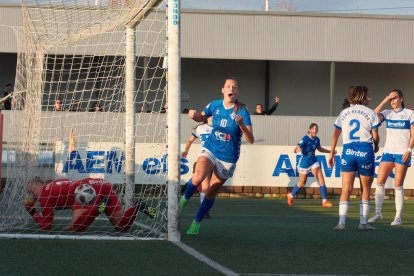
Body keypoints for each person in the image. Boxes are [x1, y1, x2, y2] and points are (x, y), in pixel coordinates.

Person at [179, 77, 254, 235]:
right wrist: (194, 116)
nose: (231, 89)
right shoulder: (214, 105)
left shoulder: (242, 111)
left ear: (237, 91)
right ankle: (181, 203)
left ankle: (196, 223)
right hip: (211, 148)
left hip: (228, 158)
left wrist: (240, 124)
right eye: (228, 86)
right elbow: (202, 117)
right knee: (198, 176)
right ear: (223, 90)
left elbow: (251, 139)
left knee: (211, 191)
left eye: (234, 87)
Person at [328, 85, 380, 231]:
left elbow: (335, 135)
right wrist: (376, 146)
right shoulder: (371, 113)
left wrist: (331, 153)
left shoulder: (344, 113)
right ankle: (363, 222)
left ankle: (341, 223)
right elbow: (375, 135)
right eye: (367, 94)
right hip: (365, 151)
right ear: (362, 96)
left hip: (348, 151)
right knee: (365, 188)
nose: (369, 97)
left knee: (346, 188)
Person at [24, 177, 156, 232]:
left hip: (83, 191)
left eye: (33, 190)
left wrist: (32, 212)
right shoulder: (54, 183)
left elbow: (46, 226)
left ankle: (99, 208)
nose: (33, 195)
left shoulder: (45, 196)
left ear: (40, 184)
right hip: (102, 185)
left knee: (77, 227)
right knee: (121, 226)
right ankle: (138, 206)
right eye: (31, 193)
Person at [368, 89, 414, 226]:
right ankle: (377, 213)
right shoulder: (387, 113)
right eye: (391, 99)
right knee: (380, 182)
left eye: (395, 98)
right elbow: (373, 115)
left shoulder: (410, 113)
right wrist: (384, 99)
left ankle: (398, 217)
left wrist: (409, 150)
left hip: (402, 153)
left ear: (401, 98)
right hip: (388, 152)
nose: (393, 101)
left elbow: (413, 134)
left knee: (398, 185)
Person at [287, 123, 334, 208]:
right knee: (302, 183)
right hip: (304, 163)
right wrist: (297, 149)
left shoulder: (317, 139)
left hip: (313, 161)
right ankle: (290, 195)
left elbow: (319, 149)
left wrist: (330, 151)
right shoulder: (305, 139)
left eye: (316, 129)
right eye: (313, 128)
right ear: (309, 130)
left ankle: (324, 201)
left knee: (321, 179)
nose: (315, 130)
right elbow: (296, 149)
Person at [182, 117, 213, 219]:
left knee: (208, 186)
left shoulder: (220, 127)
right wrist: (186, 151)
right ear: (207, 117)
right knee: (205, 183)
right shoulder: (201, 128)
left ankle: (203, 208)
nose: (213, 116)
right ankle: (204, 210)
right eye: (211, 115)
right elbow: (190, 140)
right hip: (205, 156)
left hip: (217, 158)